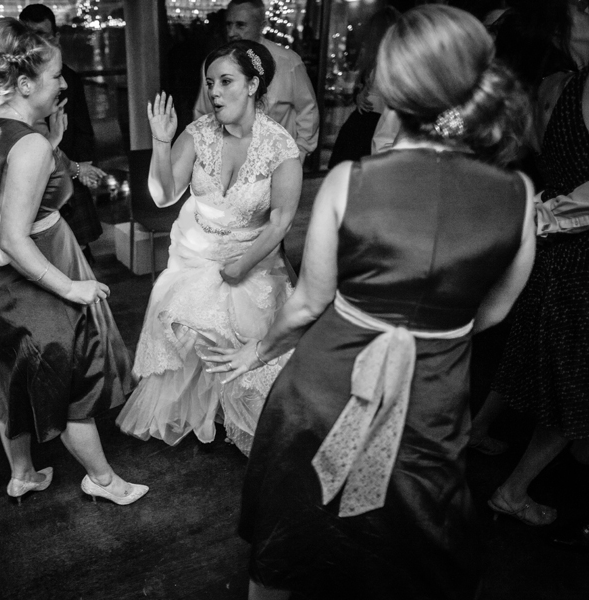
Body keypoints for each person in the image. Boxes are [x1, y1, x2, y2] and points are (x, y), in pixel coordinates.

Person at [203, 6, 536, 598]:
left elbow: (308, 304)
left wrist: (255, 351)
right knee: (407, 536)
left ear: (397, 83)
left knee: (296, 525)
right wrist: (433, 330)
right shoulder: (518, 192)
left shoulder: (351, 180)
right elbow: (496, 311)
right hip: (433, 392)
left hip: (329, 381)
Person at [0, 18, 147, 506]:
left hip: (0, 284)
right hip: (37, 271)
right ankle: (103, 480)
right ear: (24, 84)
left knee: (12, 376)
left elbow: (5, 199)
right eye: (56, 75)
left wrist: (53, 144)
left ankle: (22, 473)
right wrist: (70, 288)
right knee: (70, 378)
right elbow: (19, 238)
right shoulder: (30, 145)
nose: (64, 83)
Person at [116, 40, 302, 456]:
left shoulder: (280, 146)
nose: (214, 91)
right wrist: (161, 144)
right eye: (210, 83)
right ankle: (204, 411)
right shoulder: (197, 133)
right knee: (188, 323)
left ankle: (240, 415)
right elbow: (164, 196)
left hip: (251, 259)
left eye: (226, 81)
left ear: (253, 85)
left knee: (246, 344)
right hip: (196, 254)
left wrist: (242, 267)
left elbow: (280, 221)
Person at [469, 0, 589, 539]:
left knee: (530, 353)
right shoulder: (585, 81)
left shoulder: (553, 86)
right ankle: (513, 489)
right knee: (578, 381)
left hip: (548, 243)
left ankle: (475, 433)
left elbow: (520, 154)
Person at [20, 4, 107, 264]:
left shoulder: (69, 78)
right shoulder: (16, 94)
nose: (36, 42)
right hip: (37, 176)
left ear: (55, 37)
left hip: (66, 168)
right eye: (29, 35)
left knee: (78, 251)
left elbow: (83, 128)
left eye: (43, 35)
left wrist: (82, 168)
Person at [193, 0, 319, 164]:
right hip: (228, 167)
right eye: (229, 24)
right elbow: (203, 114)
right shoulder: (214, 64)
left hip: (276, 166)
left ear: (262, 26)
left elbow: (308, 110)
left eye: (240, 25)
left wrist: (299, 154)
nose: (231, 32)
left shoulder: (288, 62)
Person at [327, 6, 400, 167]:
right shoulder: (385, 62)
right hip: (369, 126)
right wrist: (361, 94)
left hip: (369, 125)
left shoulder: (387, 62)